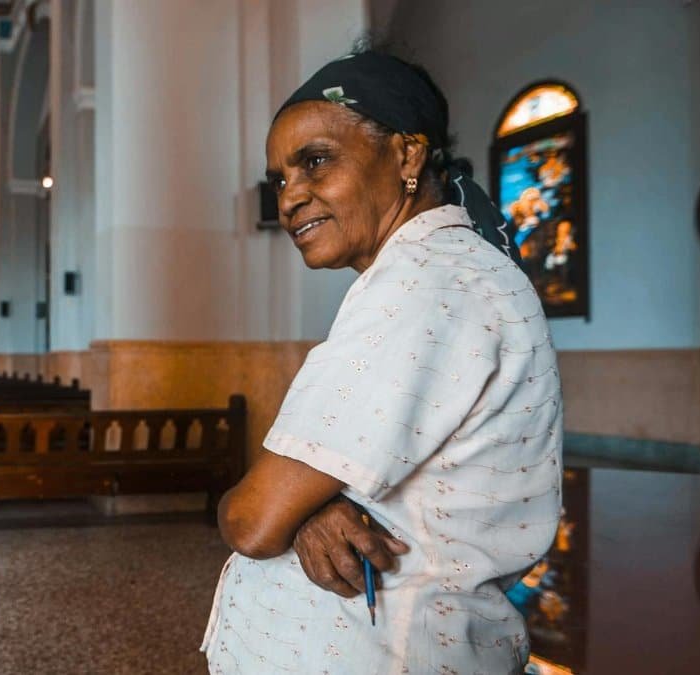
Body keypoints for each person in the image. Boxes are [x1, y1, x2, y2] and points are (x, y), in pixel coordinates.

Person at [202, 49, 562, 674]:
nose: (290, 198)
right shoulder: (437, 275)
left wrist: (288, 506)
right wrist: (311, 505)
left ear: (407, 155)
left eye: (316, 161)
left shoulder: (426, 285)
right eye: (280, 178)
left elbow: (253, 519)